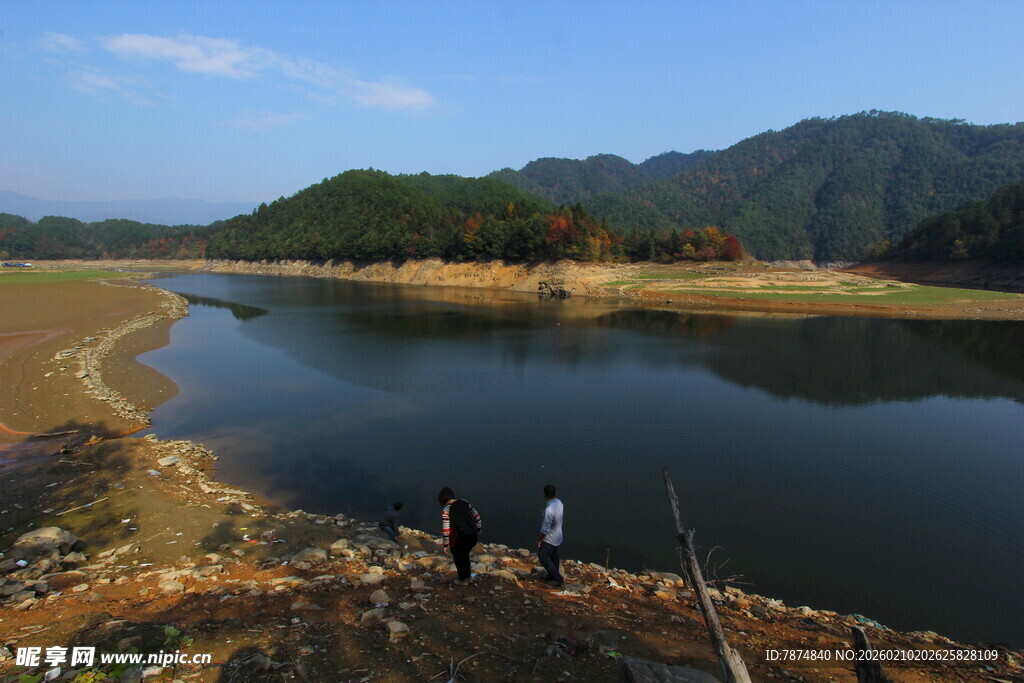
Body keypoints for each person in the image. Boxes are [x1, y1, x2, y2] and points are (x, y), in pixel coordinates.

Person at [438, 487, 482, 585]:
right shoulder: (465, 502)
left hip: (460, 539)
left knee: (458, 558)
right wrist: (479, 528)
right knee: (465, 556)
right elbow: (477, 516)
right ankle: (468, 576)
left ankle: (463, 579)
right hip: (472, 536)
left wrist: (446, 544)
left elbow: (446, 530)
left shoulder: (446, 510)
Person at [537, 484, 564, 587]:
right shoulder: (559, 503)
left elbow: (545, 530)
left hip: (549, 539)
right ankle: (552, 575)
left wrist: (539, 540)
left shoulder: (549, 510)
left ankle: (557, 578)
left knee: (543, 558)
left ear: (545, 494)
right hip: (558, 536)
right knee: (554, 557)